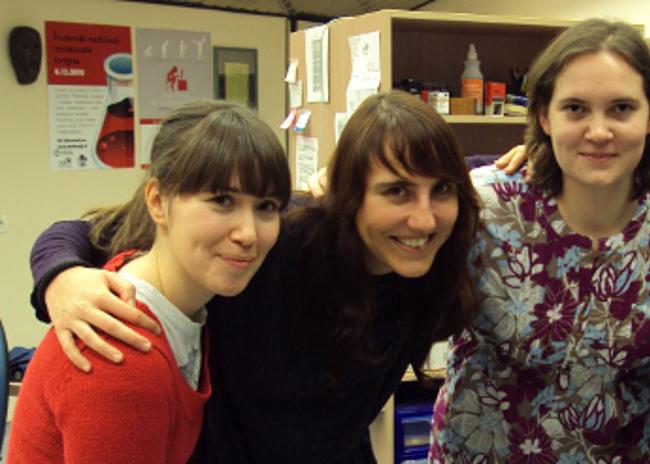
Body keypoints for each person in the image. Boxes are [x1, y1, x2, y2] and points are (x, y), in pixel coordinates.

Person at [24, 91, 482, 463]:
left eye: (441, 191)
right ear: (349, 194)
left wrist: (532, 150)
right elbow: (85, 231)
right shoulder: (277, 240)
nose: (423, 220)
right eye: (397, 192)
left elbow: (475, 172)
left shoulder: (431, 265)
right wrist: (60, 276)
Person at [429, 18, 650, 462]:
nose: (598, 132)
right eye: (575, 108)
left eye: (621, 108)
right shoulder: (484, 210)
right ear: (544, 115)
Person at [8, 100, 292, 463]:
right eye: (222, 200)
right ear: (157, 202)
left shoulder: (175, 308)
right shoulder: (122, 351)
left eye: (266, 207)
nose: (248, 233)